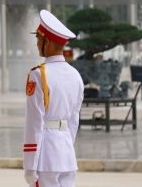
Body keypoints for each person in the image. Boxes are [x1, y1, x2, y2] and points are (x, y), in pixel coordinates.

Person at [23, 9, 84, 187]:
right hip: (66, 153)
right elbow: (74, 119)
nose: (36, 43)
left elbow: (35, 122)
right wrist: (65, 146)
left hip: (46, 156)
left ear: (47, 42)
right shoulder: (75, 75)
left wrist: (29, 165)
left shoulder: (38, 75)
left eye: (38, 39)